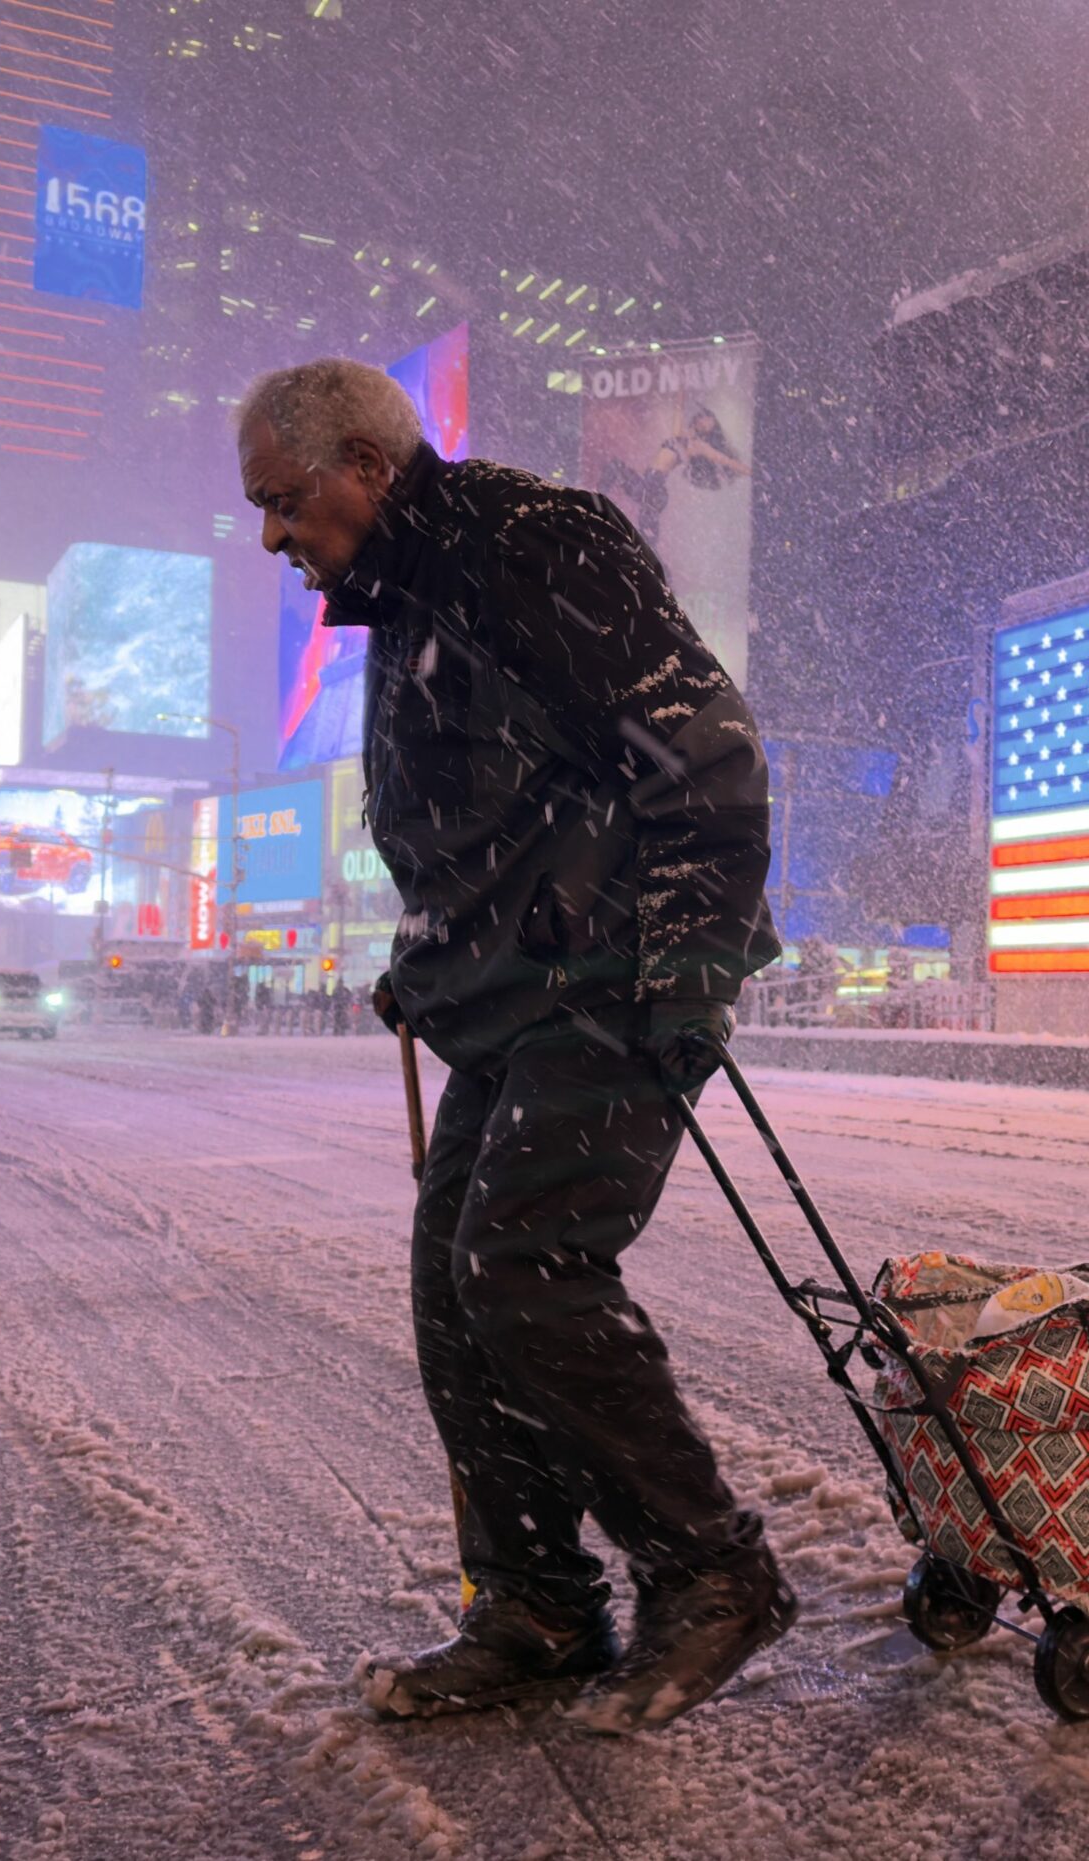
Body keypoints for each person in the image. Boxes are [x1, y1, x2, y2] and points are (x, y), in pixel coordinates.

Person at [236, 357, 787, 1734]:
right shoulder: (415, 597)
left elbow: (702, 747)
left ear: (366, 465)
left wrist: (690, 966)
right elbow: (487, 820)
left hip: (609, 985)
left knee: (524, 1266)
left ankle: (713, 1570)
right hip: (507, 1000)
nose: (272, 537)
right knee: (452, 1286)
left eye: (286, 500)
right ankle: (536, 1605)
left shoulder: (532, 546)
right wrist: (428, 959)